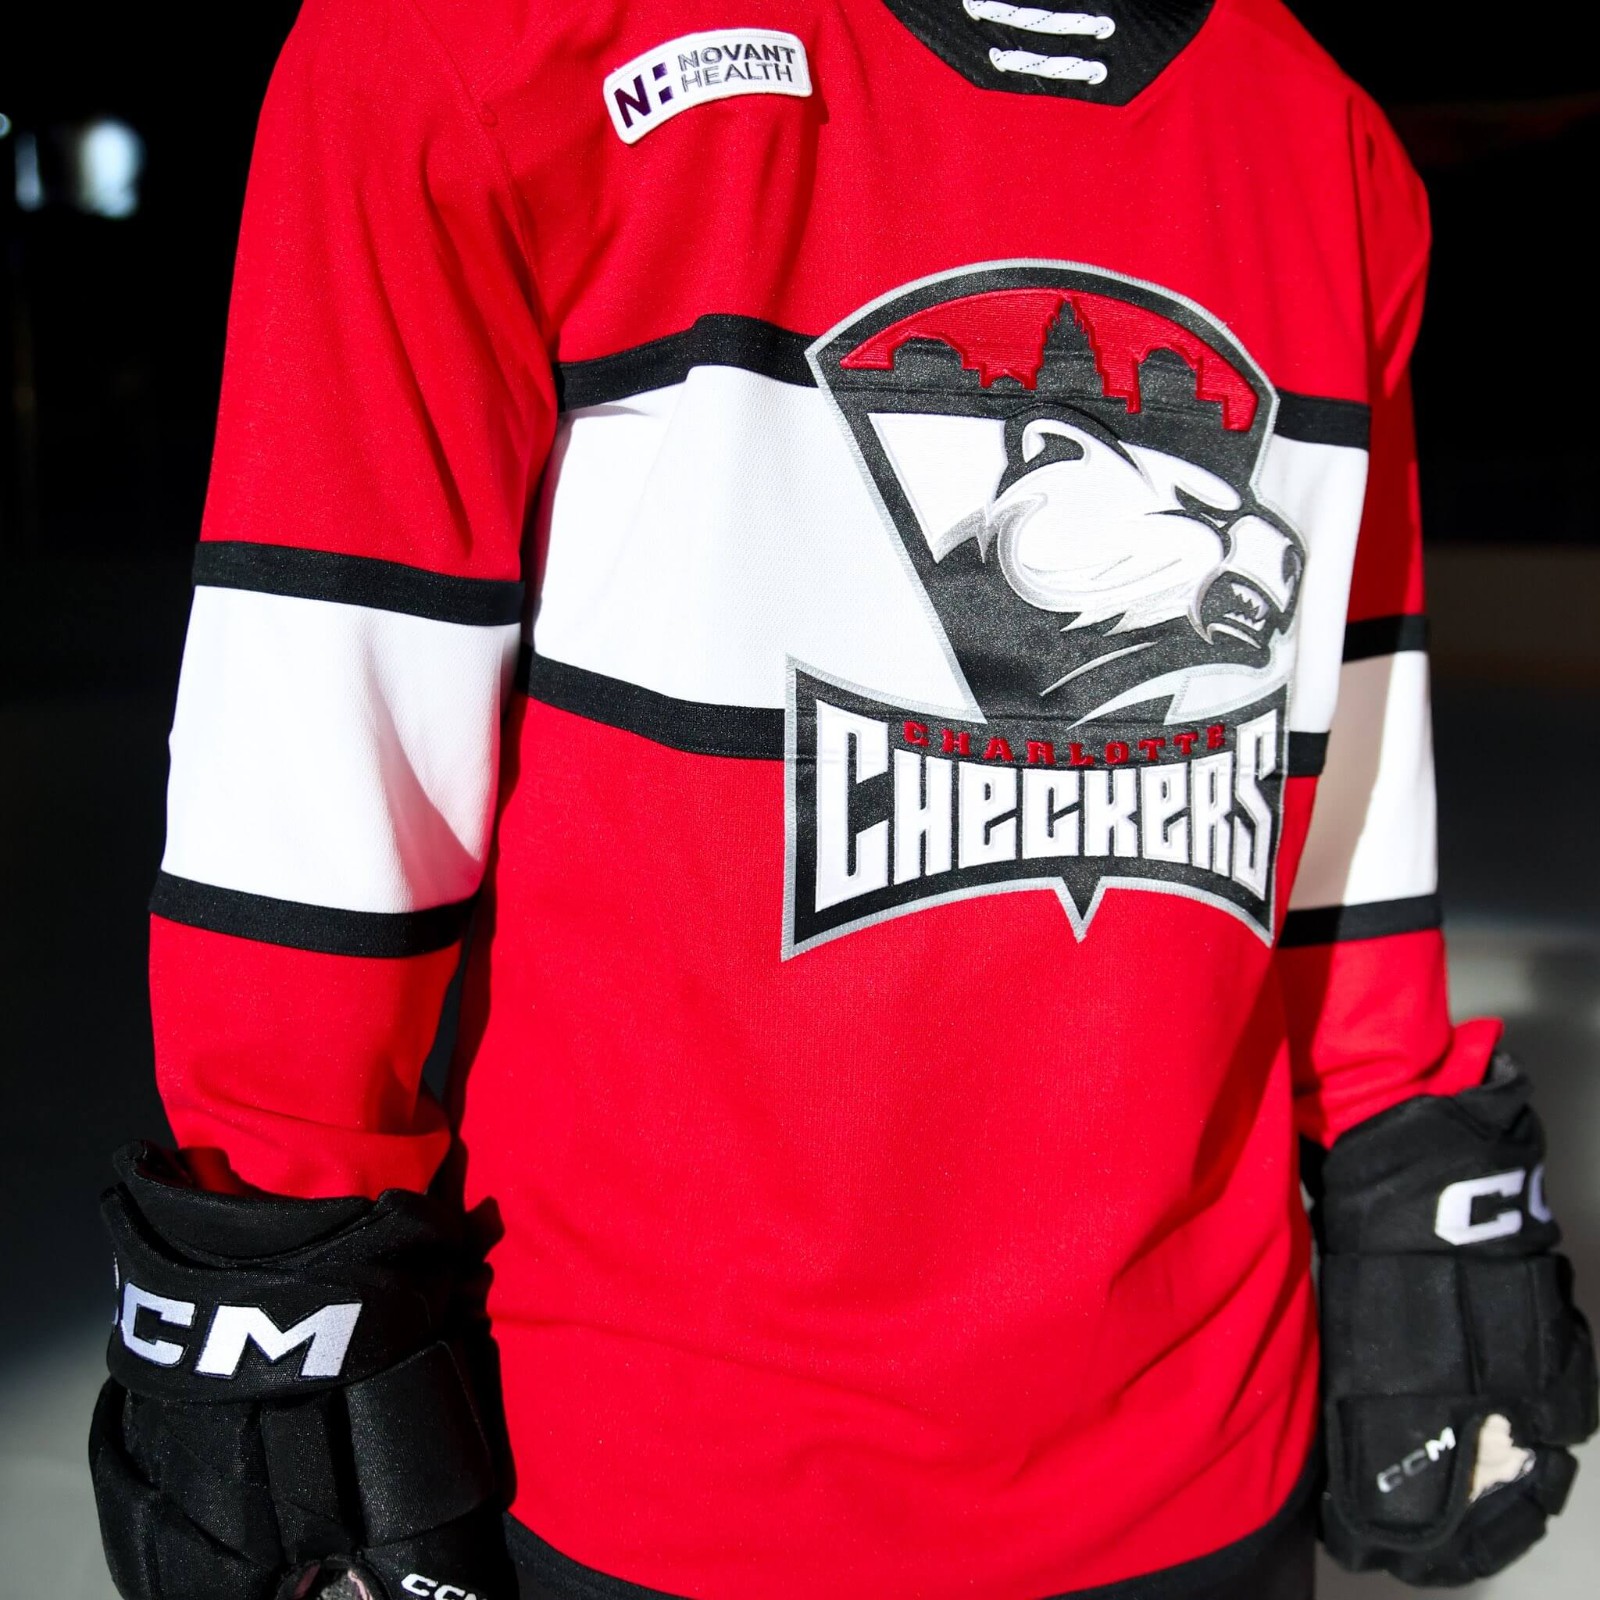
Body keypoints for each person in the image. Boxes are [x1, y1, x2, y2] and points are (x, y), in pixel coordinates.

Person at [88, 3, 1597, 1598]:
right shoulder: (474, 43)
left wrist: (1400, 1139)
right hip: (645, 1481)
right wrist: (279, 1264)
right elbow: (329, 744)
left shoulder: (1325, 141)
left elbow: (1344, 739)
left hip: (1203, 1466)